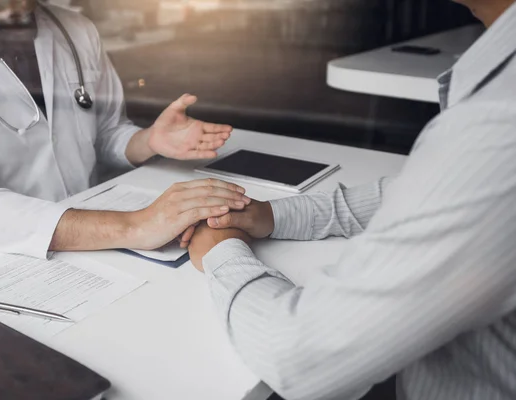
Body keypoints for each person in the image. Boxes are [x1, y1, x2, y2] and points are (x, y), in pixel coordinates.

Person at [188, 1, 516, 399]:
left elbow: (301, 359)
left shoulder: (499, 123)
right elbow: (439, 193)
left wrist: (222, 254)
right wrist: (273, 214)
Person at [0, 0, 251, 259]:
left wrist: (148, 140)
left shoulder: (76, 30)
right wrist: (138, 225)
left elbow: (104, 133)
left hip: (93, 235)